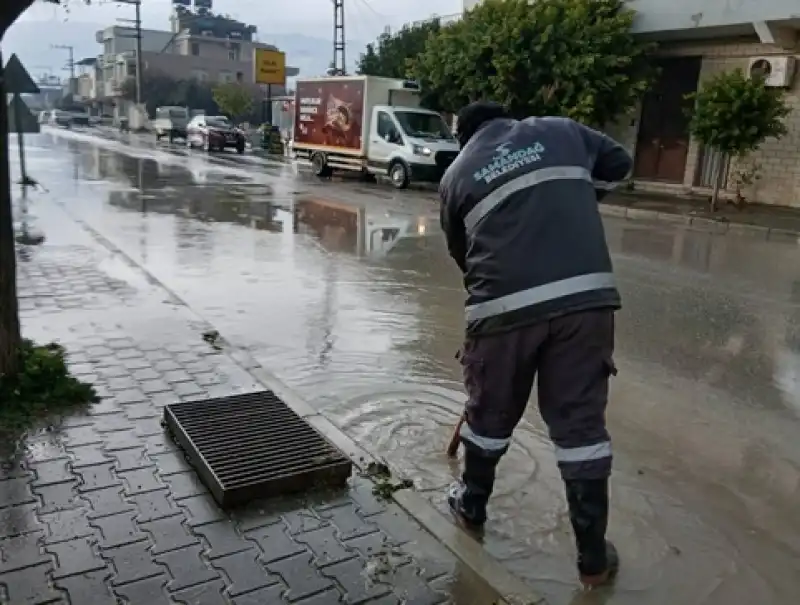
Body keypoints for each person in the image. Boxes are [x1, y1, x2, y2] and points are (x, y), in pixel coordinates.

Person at [439, 101, 633, 588]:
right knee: (580, 425)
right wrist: (571, 198)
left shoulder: (457, 174)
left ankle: (471, 507)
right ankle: (593, 560)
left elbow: (463, 254)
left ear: (464, 138)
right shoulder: (562, 130)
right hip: (586, 303)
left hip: (502, 309)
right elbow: (620, 163)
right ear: (507, 118)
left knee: (488, 417)